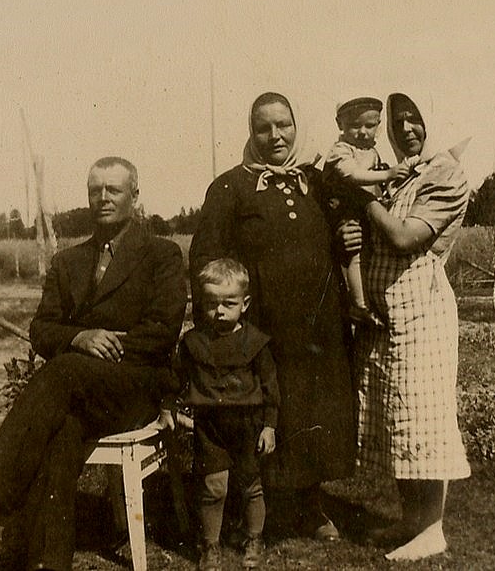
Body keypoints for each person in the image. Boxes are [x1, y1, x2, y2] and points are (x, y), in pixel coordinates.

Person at [0, 157, 187, 571]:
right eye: (96, 190)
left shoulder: (161, 254)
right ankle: (48, 562)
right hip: (77, 392)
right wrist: (79, 337)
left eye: (114, 189)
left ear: (135, 195)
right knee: (63, 430)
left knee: (65, 370)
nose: (104, 198)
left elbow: (161, 333)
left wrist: (99, 346)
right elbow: (42, 329)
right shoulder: (68, 261)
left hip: (136, 387)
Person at [189, 92, 356, 541]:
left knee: (311, 412)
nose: (275, 135)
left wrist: (349, 238)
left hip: (317, 327)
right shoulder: (231, 187)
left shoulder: (316, 182)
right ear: (251, 132)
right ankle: (256, 509)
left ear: (296, 127)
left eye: (283, 125)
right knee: (261, 413)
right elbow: (205, 258)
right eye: (264, 127)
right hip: (260, 329)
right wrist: (220, 325)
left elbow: (339, 238)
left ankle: (311, 506)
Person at [342, 92, 471, 560]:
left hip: (422, 312)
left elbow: (403, 237)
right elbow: (371, 228)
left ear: (434, 121)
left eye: (415, 120)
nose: (407, 130)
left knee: (424, 417)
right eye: (398, 123)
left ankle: (432, 528)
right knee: (397, 418)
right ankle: (412, 523)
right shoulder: (401, 175)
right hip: (384, 314)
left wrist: (358, 196)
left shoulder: (447, 174)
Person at [160, 258, 280, 570]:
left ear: (245, 303)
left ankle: (255, 537)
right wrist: (167, 406)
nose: (220, 311)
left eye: (229, 303)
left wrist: (269, 427)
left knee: (251, 485)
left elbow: (270, 389)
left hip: (248, 424)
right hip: (209, 427)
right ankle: (210, 545)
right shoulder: (194, 343)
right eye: (212, 303)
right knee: (213, 487)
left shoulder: (255, 343)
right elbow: (175, 379)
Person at [321, 96, 414, 325]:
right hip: (345, 211)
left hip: (365, 210)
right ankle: (360, 304)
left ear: (379, 125)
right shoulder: (341, 150)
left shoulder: (372, 151)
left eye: (370, 126)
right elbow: (352, 174)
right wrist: (388, 174)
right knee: (356, 253)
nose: (362, 132)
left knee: (372, 255)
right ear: (339, 124)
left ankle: (373, 301)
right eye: (354, 125)